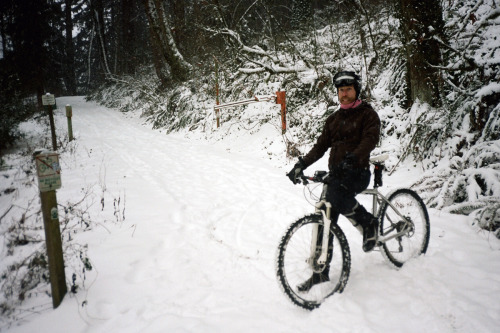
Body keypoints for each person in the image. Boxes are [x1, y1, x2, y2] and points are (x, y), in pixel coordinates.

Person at [287, 70, 381, 291]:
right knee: (323, 219)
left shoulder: (368, 115)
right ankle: (321, 273)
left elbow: (370, 140)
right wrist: (301, 164)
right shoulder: (334, 119)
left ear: (356, 91)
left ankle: (369, 224)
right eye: (340, 90)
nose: (344, 94)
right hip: (337, 175)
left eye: (348, 89)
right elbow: (320, 146)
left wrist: (354, 158)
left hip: (358, 172)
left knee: (337, 197)